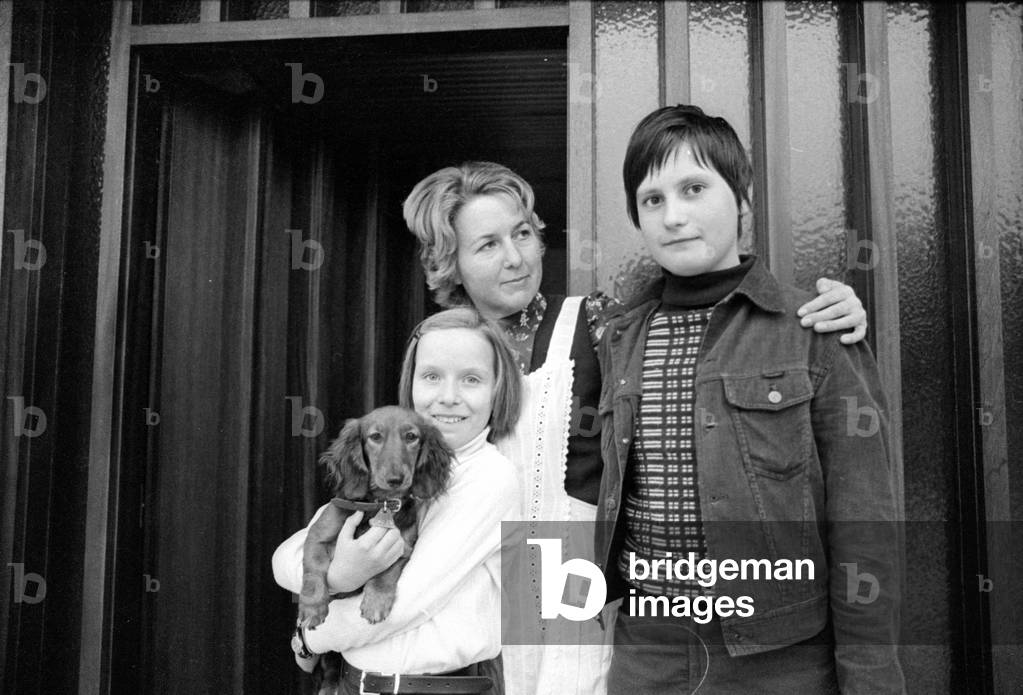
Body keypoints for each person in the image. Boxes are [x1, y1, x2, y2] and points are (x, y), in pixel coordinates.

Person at [398, 161, 872, 695]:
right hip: (468, 580)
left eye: (523, 234)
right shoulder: (434, 345)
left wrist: (824, 310)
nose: (515, 258)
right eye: (487, 245)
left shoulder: (599, 321)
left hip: (569, 582)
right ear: (449, 262)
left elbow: (706, 327)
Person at [595, 104, 903, 694]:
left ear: (742, 196)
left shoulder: (814, 328)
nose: (674, 215)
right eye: (652, 199)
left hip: (777, 658)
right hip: (645, 653)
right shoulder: (619, 336)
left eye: (694, 188)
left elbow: (865, 525)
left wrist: (871, 680)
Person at [272, 307, 523, 695]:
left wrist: (309, 638)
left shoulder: (489, 478)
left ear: (497, 389)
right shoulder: (394, 478)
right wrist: (339, 575)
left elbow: (401, 606)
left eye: (471, 379)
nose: (449, 397)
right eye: (432, 376)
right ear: (411, 384)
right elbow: (285, 556)